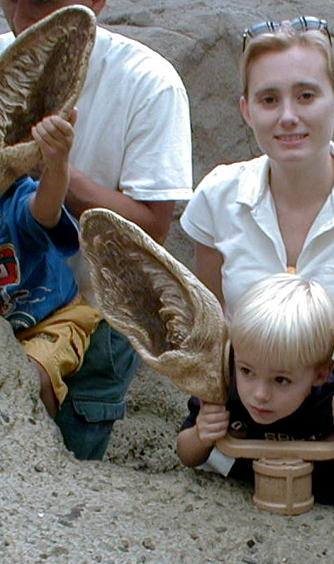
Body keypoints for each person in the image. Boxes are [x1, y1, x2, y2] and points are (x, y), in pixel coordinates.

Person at [179, 16, 334, 402]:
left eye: (306, 96)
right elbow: (212, 316)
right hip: (250, 410)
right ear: (246, 110)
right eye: (269, 99)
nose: (288, 116)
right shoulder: (217, 196)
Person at [0, 0, 193, 459]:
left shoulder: (147, 81)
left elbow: (150, 227)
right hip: (10, 291)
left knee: (65, 457)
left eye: (45, 1)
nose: (24, 13)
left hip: (93, 311)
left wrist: (49, 168)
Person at [176, 273, 334, 528]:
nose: (260, 394)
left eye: (281, 380)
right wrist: (201, 434)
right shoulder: (226, 389)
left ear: (320, 374)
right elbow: (186, 455)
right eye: (247, 371)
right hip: (245, 505)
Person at [1, 111, 101, 418]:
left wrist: (56, 166)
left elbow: (44, 210)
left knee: (31, 376)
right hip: (7, 324)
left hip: (51, 318)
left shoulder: (15, 197)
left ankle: (37, 437)